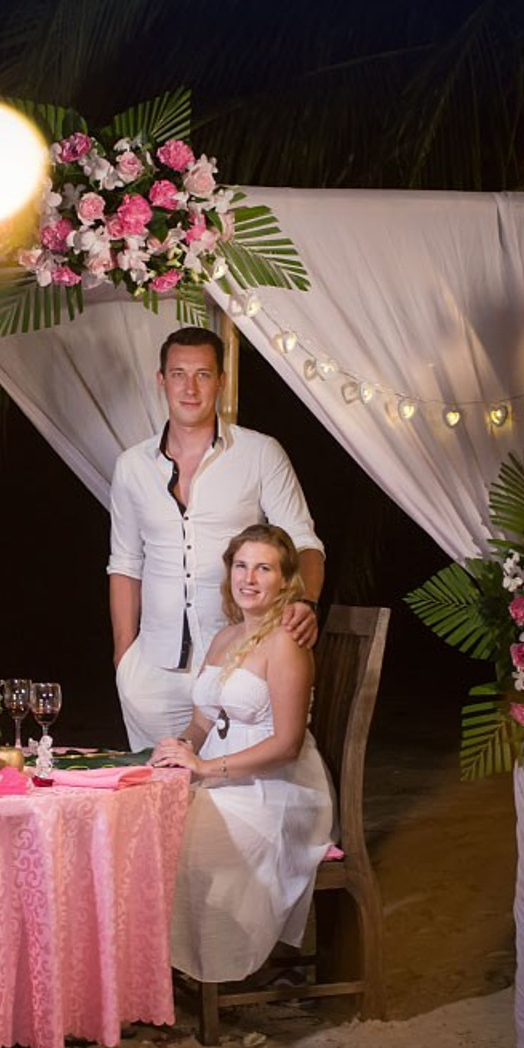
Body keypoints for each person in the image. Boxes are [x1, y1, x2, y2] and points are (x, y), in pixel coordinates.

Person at [108, 327, 325, 749]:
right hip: (152, 670)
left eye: (203, 375)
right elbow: (125, 563)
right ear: (161, 380)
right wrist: (124, 658)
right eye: (178, 374)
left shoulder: (260, 453)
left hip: (240, 666)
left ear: (221, 380)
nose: (190, 388)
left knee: (223, 796)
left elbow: (304, 542)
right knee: (156, 800)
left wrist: (305, 602)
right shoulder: (131, 466)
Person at [152, 524, 334, 983]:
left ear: (286, 581)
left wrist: (207, 767)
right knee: (147, 817)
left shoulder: (288, 643)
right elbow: (202, 723)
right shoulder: (224, 638)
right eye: (241, 565)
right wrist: (178, 749)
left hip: (276, 790)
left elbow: (287, 744)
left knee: (189, 837)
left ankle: (201, 963)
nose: (249, 578)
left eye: (264, 568)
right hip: (223, 780)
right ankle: (155, 969)